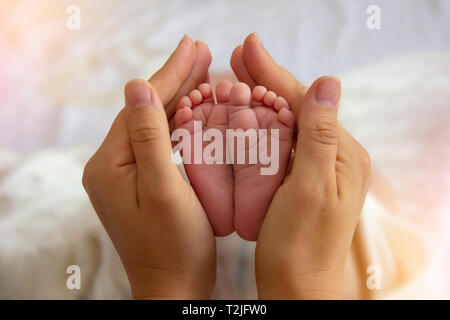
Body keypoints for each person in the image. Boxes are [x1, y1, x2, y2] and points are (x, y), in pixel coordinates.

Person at [82, 33, 371, 299]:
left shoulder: (148, 193)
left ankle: (208, 195)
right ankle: (272, 186)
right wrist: (306, 278)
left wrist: (164, 280)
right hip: (294, 231)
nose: (232, 106)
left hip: (165, 244)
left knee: (138, 209)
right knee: (347, 227)